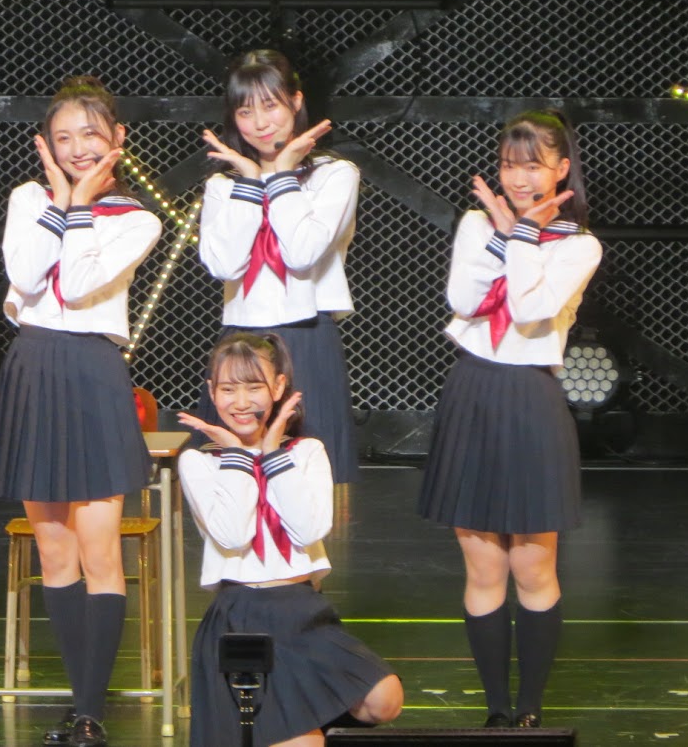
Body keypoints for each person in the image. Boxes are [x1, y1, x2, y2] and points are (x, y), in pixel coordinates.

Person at [0, 76, 163, 747]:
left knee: (99, 551)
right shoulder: (27, 199)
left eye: (90, 134)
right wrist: (62, 203)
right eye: (63, 138)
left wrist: (83, 205)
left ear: (118, 137)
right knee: (53, 550)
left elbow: (83, 281)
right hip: (33, 365)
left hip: (92, 369)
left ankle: (91, 710)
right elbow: (27, 275)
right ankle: (77, 702)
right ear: (46, 146)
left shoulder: (138, 218)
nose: (78, 148)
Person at [417, 109, 602, 728]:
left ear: (562, 169)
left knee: (533, 565)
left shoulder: (579, 245)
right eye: (508, 165)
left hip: (531, 397)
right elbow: (463, 301)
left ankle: (529, 710)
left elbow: (528, 309)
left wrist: (521, 235)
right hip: (472, 388)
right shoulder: (478, 223)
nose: (519, 178)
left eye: (533, 166)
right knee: (483, 565)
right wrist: (502, 236)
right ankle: (496, 710)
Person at [177, 332, 402, 747]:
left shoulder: (305, 452)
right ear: (211, 392)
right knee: (303, 743)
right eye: (227, 389)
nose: (240, 402)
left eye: (253, 387)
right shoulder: (200, 461)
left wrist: (272, 454)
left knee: (384, 699)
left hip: (303, 611)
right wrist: (238, 456)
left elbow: (309, 530)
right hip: (241, 616)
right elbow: (233, 534)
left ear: (278, 387)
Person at [198, 49, 360, 483]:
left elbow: (302, 252)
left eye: (270, 105)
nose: (260, 122)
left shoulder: (334, 174)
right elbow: (223, 264)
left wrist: (283, 176)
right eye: (245, 111)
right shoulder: (224, 184)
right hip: (240, 341)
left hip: (307, 337)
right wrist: (251, 184)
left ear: (296, 101)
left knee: (306, 480)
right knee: (235, 480)